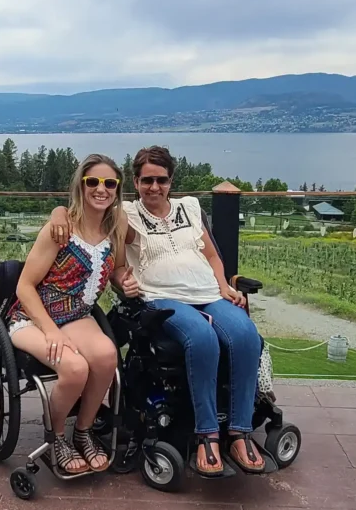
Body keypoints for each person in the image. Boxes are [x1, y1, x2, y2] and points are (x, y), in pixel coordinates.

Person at [48, 146, 265, 476]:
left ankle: (239, 431)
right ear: (135, 182)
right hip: (163, 297)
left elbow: (211, 256)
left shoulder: (189, 208)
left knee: (247, 335)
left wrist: (223, 285)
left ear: (170, 180)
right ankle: (207, 434)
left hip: (208, 292)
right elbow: (116, 262)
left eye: (161, 180)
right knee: (202, 338)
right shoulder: (126, 214)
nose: (154, 187)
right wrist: (58, 213)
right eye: (146, 180)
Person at [9, 154, 139, 475]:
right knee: (75, 367)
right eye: (92, 182)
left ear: (118, 189)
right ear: (80, 185)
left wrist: (123, 279)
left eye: (110, 183)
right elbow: (24, 287)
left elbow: (117, 268)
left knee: (107, 355)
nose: (101, 189)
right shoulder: (61, 228)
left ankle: (83, 431)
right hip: (33, 316)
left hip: (78, 314)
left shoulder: (117, 225)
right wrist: (50, 330)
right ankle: (56, 436)